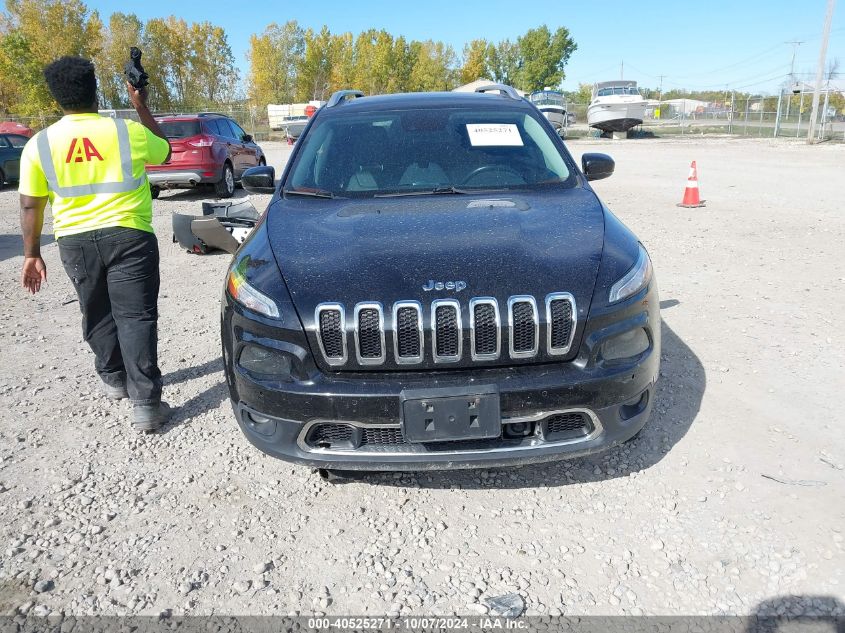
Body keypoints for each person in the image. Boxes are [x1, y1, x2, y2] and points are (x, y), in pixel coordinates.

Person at [18, 56, 172, 432]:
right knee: (135, 317)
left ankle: (115, 378)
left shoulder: (38, 145)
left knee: (96, 311)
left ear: (56, 98)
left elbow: (29, 203)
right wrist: (140, 105)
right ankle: (146, 405)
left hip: (74, 241)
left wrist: (31, 254)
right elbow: (165, 151)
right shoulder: (125, 133)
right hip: (130, 235)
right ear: (95, 90)